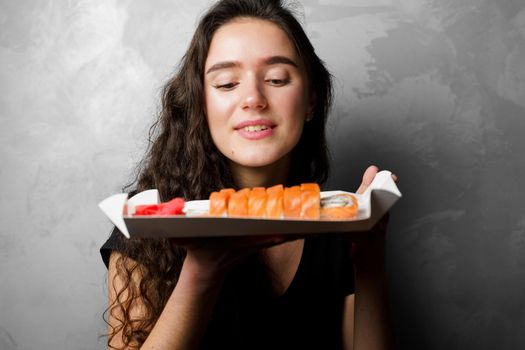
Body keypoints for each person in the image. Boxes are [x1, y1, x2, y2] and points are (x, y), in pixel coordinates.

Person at [100, 0, 394, 349]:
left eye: (276, 79)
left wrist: (370, 257)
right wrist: (202, 272)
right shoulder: (146, 224)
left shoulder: (333, 226)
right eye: (226, 84)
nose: (253, 98)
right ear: (201, 104)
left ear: (311, 101)